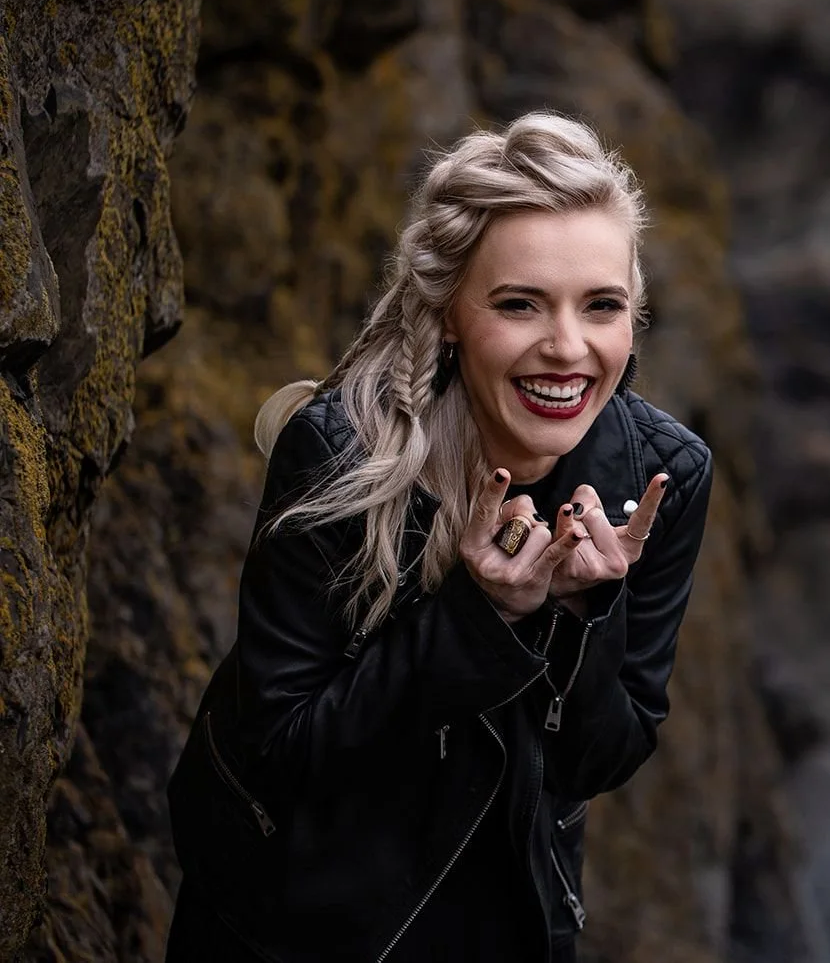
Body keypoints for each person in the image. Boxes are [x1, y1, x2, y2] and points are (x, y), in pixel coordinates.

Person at [164, 112, 714, 963]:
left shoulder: (663, 479)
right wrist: (479, 619)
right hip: (300, 924)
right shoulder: (341, 452)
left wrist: (589, 612)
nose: (568, 348)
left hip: (512, 910)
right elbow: (281, 752)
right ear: (451, 313)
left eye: (601, 305)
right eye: (519, 303)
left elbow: (598, 758)